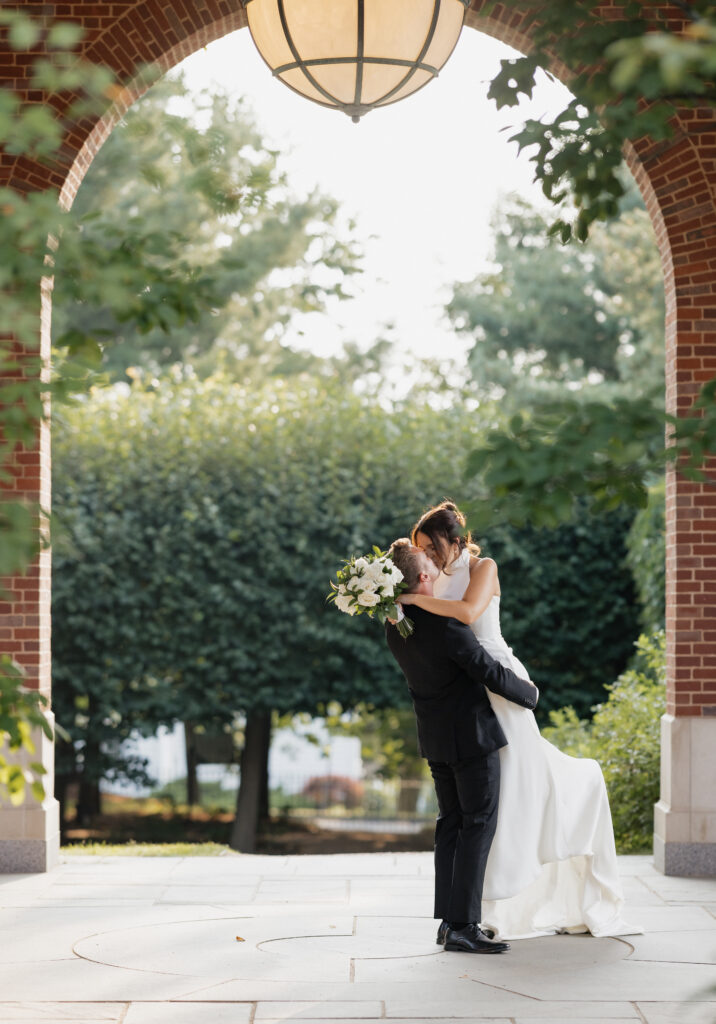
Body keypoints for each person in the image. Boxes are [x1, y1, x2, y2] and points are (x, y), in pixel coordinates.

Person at [398, 499, 642, 939]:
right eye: (421, 552)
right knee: (483, 806)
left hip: (496, 679)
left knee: (511, 792)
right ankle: (471, 913)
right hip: (463, 685)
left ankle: (483, 905)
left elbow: (469, 615)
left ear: (455, 541)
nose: (427, 559)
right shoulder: (431, 580)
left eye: (431, 549)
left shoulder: (482, 567)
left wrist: (411, 597)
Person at [385, 537, 539, 954]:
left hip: (434, 738)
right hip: (471, 738)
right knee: (477, 825)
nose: (437, 568)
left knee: (450, 825)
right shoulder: (448, 625)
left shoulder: (396, 623)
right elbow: (486, 669)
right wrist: (530, 695)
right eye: (430, 565)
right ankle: (464, 926)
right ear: (422, 577)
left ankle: (448, 923)